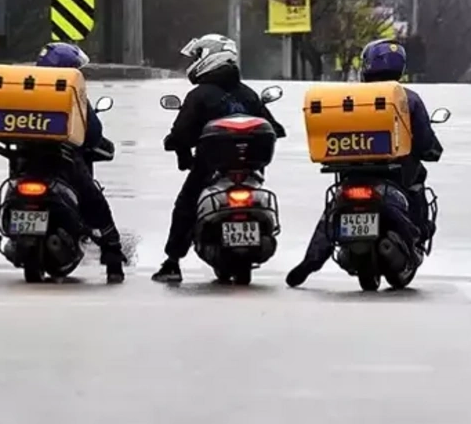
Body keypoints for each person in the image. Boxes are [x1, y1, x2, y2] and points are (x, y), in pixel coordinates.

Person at [285, 40, 443, 288]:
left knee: (332, 211)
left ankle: (310, 263)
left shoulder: (349, 98)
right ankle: (415, 238)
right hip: (398, 177)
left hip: (352, 176)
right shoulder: (408, 99)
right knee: (417, 190)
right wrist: (432, 150)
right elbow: (425, 142)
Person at [151, 34, 287, 284]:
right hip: (250, 173)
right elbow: (275, 127)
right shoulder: (247, 94)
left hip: (209, 170)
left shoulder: (200, 96)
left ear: (212, 57)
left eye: (198, 56)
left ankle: (172, 263)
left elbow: (181, 133)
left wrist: (177, 147)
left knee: (186, 207)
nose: (194, 62)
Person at [7, 41, 126, 283]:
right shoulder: (70, 94)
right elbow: (92, 133)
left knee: (11, 189)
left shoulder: (23, 90)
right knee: (95, 202)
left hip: (25, 165)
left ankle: (16, 236)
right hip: (64, 165)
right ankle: (112, 257)